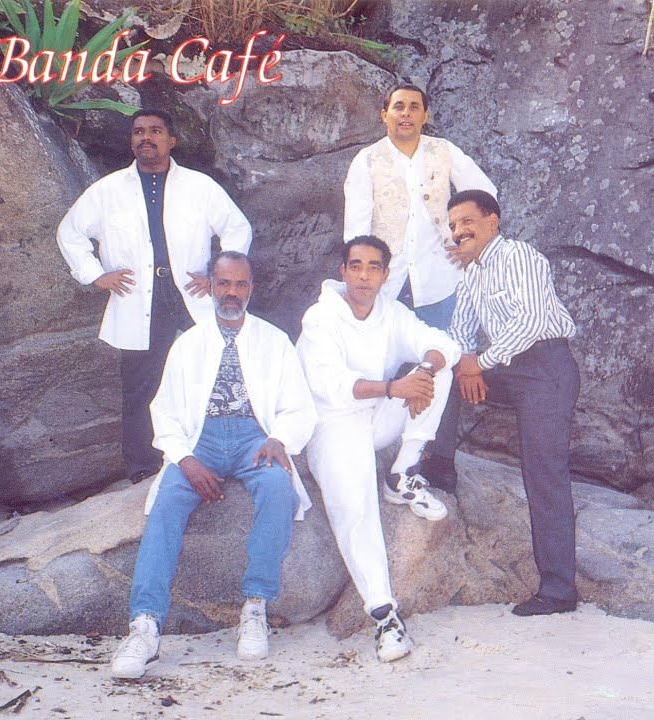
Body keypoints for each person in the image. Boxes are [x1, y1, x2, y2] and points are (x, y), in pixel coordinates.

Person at [109, 251, 318, 679]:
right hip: (199, 439)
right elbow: (164, 411)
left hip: (253, 437)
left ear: (251, 288)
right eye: (224, 283)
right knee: (166, 503)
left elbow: (299, 406)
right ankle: (145, 627)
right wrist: (185, 459)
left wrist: (279, 438)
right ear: (211, 287)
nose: (232, 292)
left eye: (240, 284)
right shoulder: (188, 343)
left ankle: (255, 607)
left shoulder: (274, 341)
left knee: (278, 489)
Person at [57, 108, 252, 484]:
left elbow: (237, 227)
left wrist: (219, 276)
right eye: (138, 132)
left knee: (212, 368)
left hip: (190, 291)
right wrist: (95, 275)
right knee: (142, 384)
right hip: (138, 296)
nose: (146, 137)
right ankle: (144, 469)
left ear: (171, 140)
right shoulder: (108, 191)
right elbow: (70, 232)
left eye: (155, 131)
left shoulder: (199, 187)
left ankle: (211, 454)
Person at [295, 236, 460, 663]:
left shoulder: (391, 311)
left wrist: (423, 372)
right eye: (356, 266)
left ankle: (401, 474)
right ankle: (384, 616)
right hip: (332, 425)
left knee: (439, 373)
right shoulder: (320, 317)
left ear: (386, 275)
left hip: (377, 417)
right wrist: (394, 387)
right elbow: (330, 385)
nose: (364, 276)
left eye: (373, 267)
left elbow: (443, 343)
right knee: (356, 508)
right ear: (343, 271)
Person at [341, 83, 497, 492]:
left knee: (445, 361)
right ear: (385, 115)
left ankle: (438, 457)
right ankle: (372, 451)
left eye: (414, 107)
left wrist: (467, 241)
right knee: (379, 363)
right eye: (398, 107)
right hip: (388, 283)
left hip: (439, 281)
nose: (406, 113)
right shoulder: (367, 160)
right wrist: (362, 279)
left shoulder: (443, 152)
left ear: (425, 115)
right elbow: (355, 228)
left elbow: (486, 194)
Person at [445, 189, 582, 617]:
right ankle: (438, 467)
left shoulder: (519, 255)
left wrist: (479, 363)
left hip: (546, 367)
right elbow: (460, 330)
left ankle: (558, 592)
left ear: (493, 222)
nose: (458, 231)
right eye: (452, 226)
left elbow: (531, 320)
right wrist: (463, 364)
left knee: (544, 474)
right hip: (506, 368)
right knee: (438, 376)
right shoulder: (470, 273)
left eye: (467, 221)